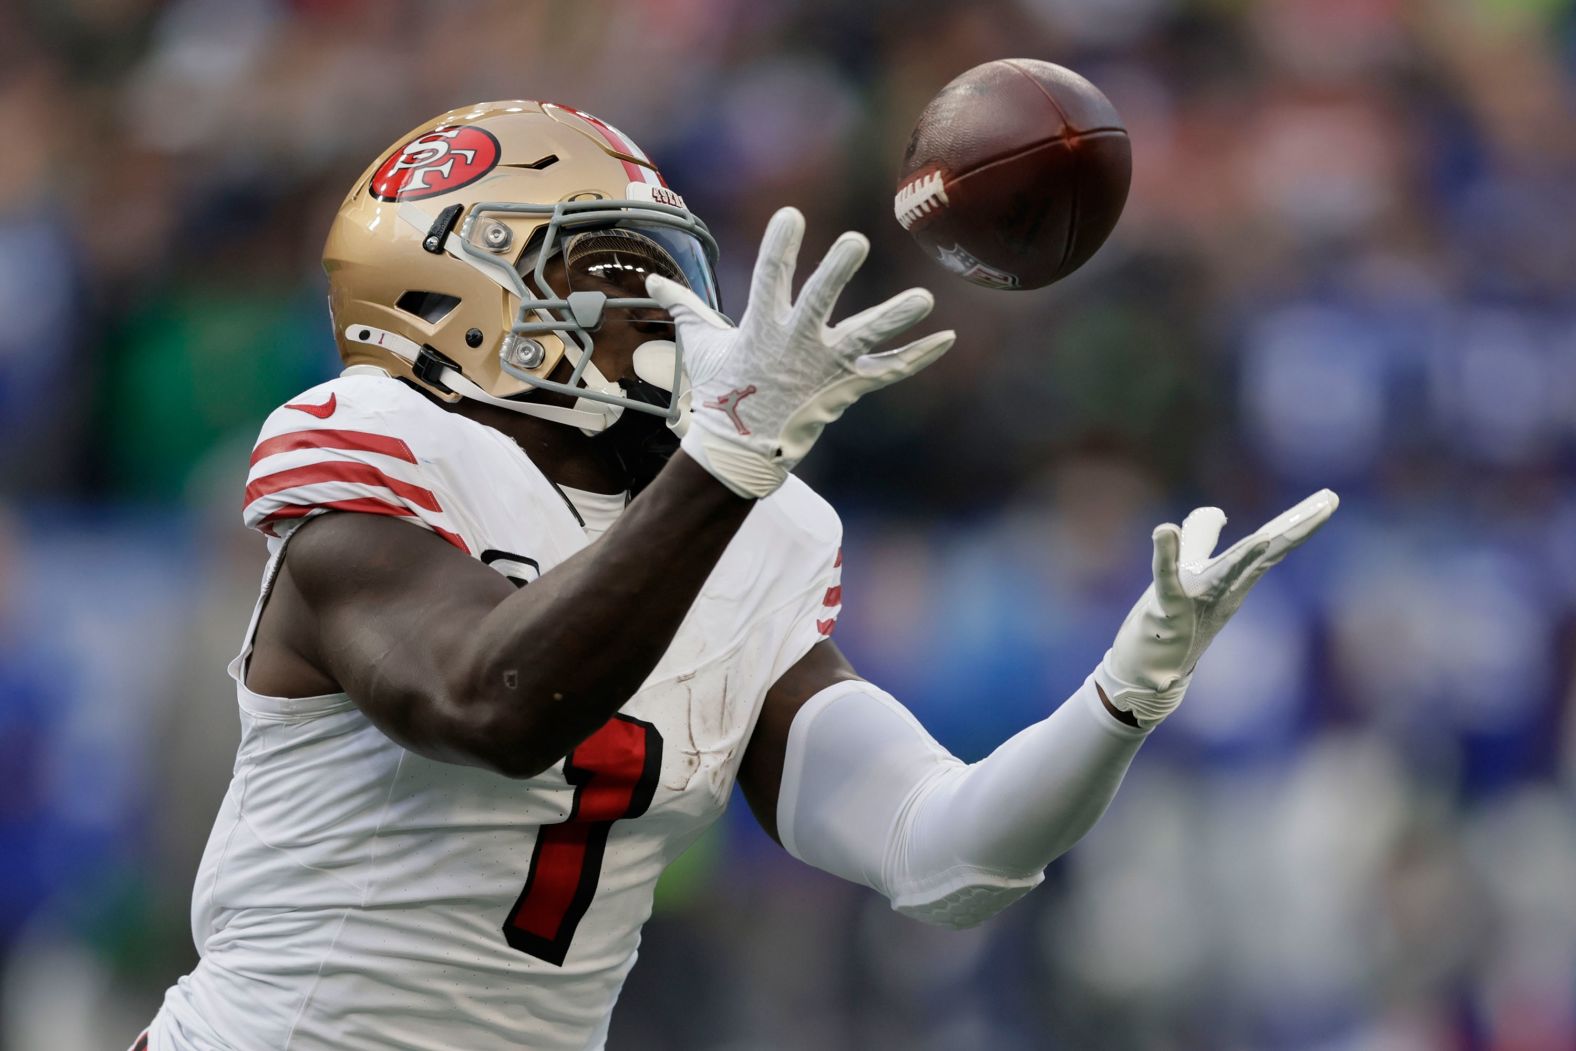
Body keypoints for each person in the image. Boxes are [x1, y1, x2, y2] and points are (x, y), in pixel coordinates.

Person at [137, 101, 1337, 1051]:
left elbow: (943, 856)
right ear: (454, 296)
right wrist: (728, 453)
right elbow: (487, 703)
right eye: (604, 268)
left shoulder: (754, 527)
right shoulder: (370, 444)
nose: (655, 308)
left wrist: (1119, 703)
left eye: (663, 270)